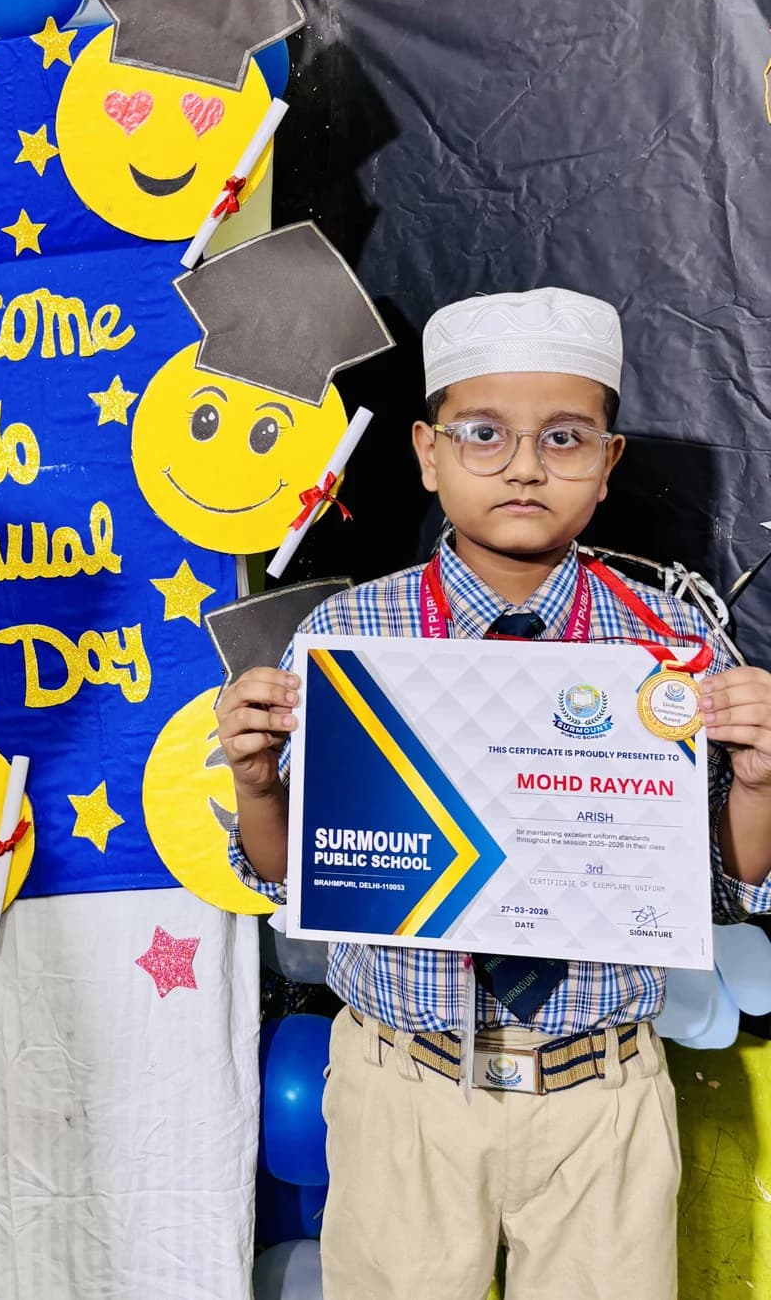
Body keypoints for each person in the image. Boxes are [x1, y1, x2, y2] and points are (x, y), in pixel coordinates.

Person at [216, 287, 771, 1300]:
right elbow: (284, 876)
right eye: (484, 434)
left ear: (608, 464)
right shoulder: (354, 640)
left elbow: (729, 885)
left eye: (566, 437)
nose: (524, 464)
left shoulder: (670, 651)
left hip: (603, 1093)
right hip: (403, 1087)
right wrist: (259, 786)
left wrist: (763, 777)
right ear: (427, 453)